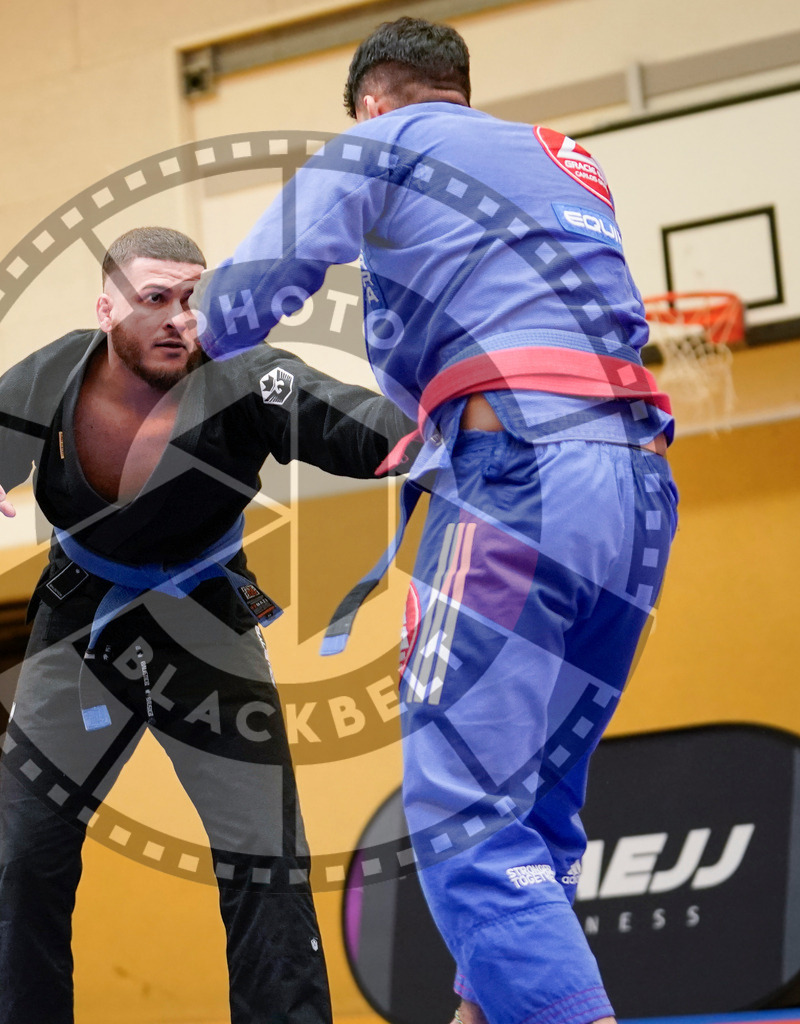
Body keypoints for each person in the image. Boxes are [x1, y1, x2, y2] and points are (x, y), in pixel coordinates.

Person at [194, 18, 679, 1024]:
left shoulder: (386, 138)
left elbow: (248, 292)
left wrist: (184, 347)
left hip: (517, 479)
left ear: (373, 99)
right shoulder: (565, 159)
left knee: (460, 812)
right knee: (535, 805)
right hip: (634, 494)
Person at [0, 226, 414, 1024]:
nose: (182, 318)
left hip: (205, 616)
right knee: (29, 861)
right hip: (82, 621)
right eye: (156, 299)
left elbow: (354, 424)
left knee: (263, 857)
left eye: (193, 299)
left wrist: (442, 431)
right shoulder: (48, 379)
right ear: (106, 308)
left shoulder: (245, 375)